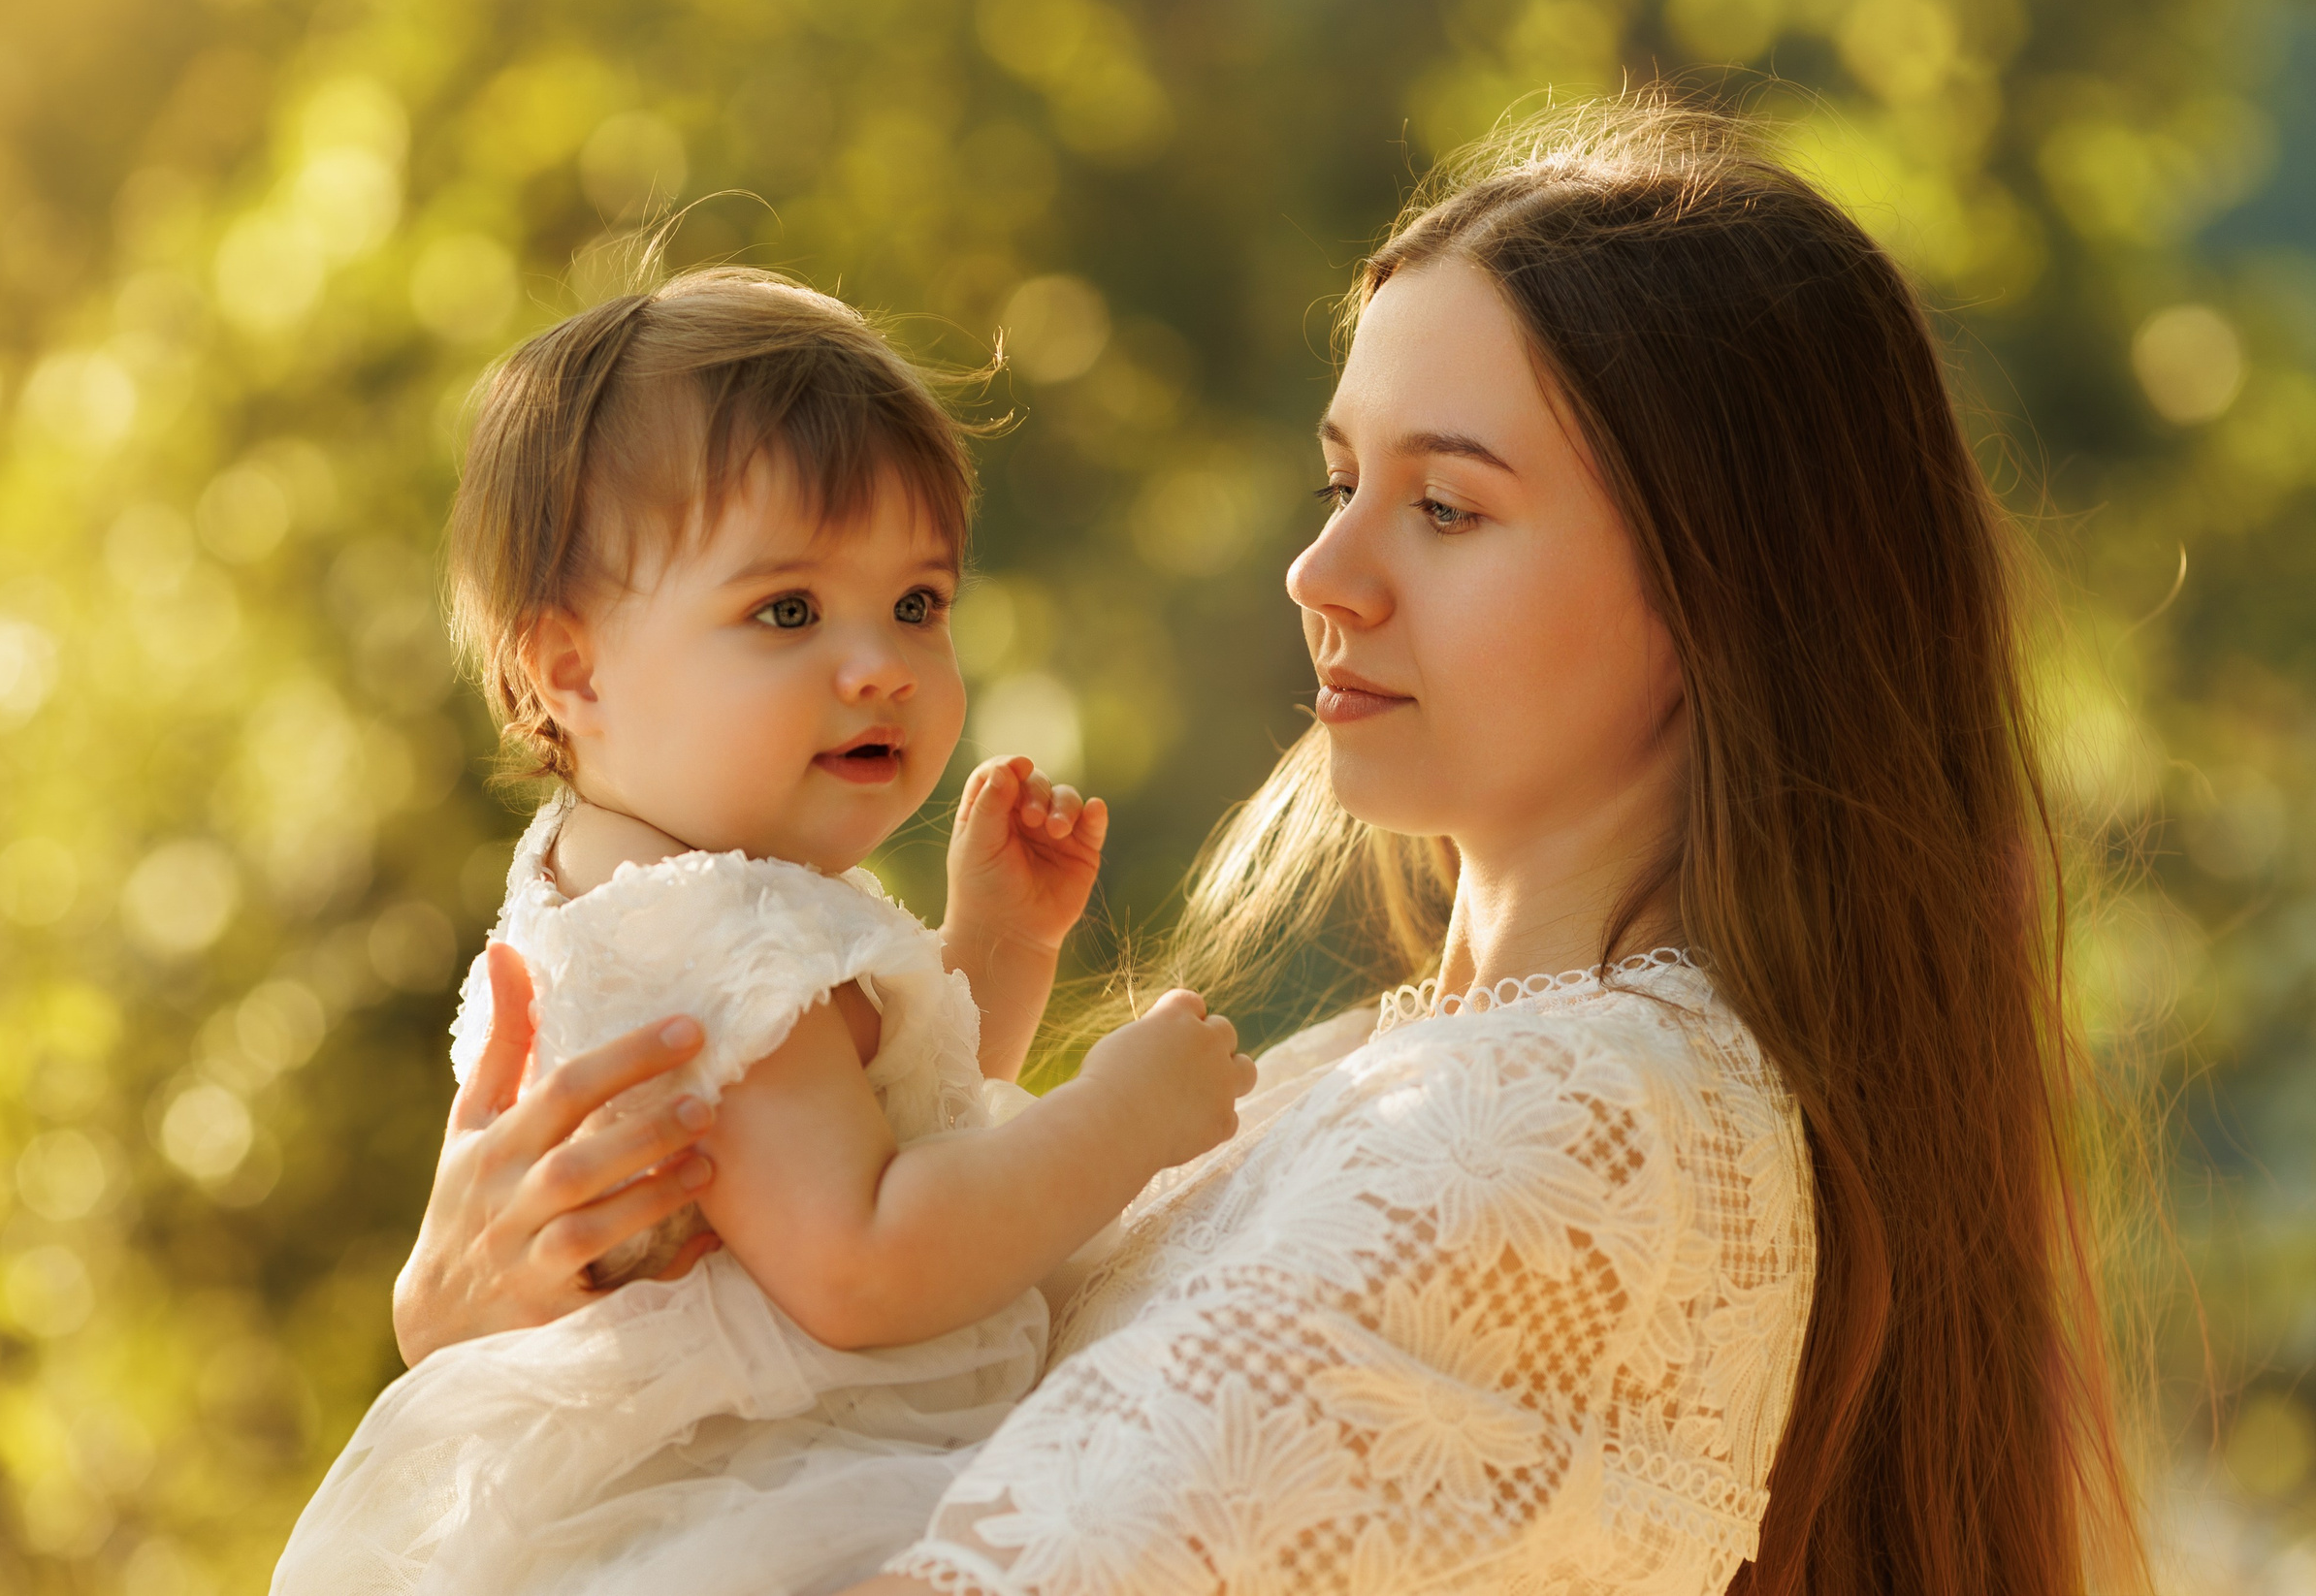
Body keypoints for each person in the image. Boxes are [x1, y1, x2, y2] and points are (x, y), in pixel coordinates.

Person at [390, 99, 2148, 1596]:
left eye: (1445, 506)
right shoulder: (1375, 1075)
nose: (1324, 573)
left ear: (1725, 585)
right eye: (1339, 484)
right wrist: (487, 1356)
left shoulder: (1578, 1125)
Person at [273, 269, 1255, 1596]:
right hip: (778, 1506)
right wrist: (1122, 1118)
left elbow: (893, 1124)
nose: (882, 665)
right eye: (787, 611)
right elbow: (866, 1265)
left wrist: (996, 947)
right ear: (571, 668)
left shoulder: (625, 879)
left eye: (917, 604)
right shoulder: (702, 931)